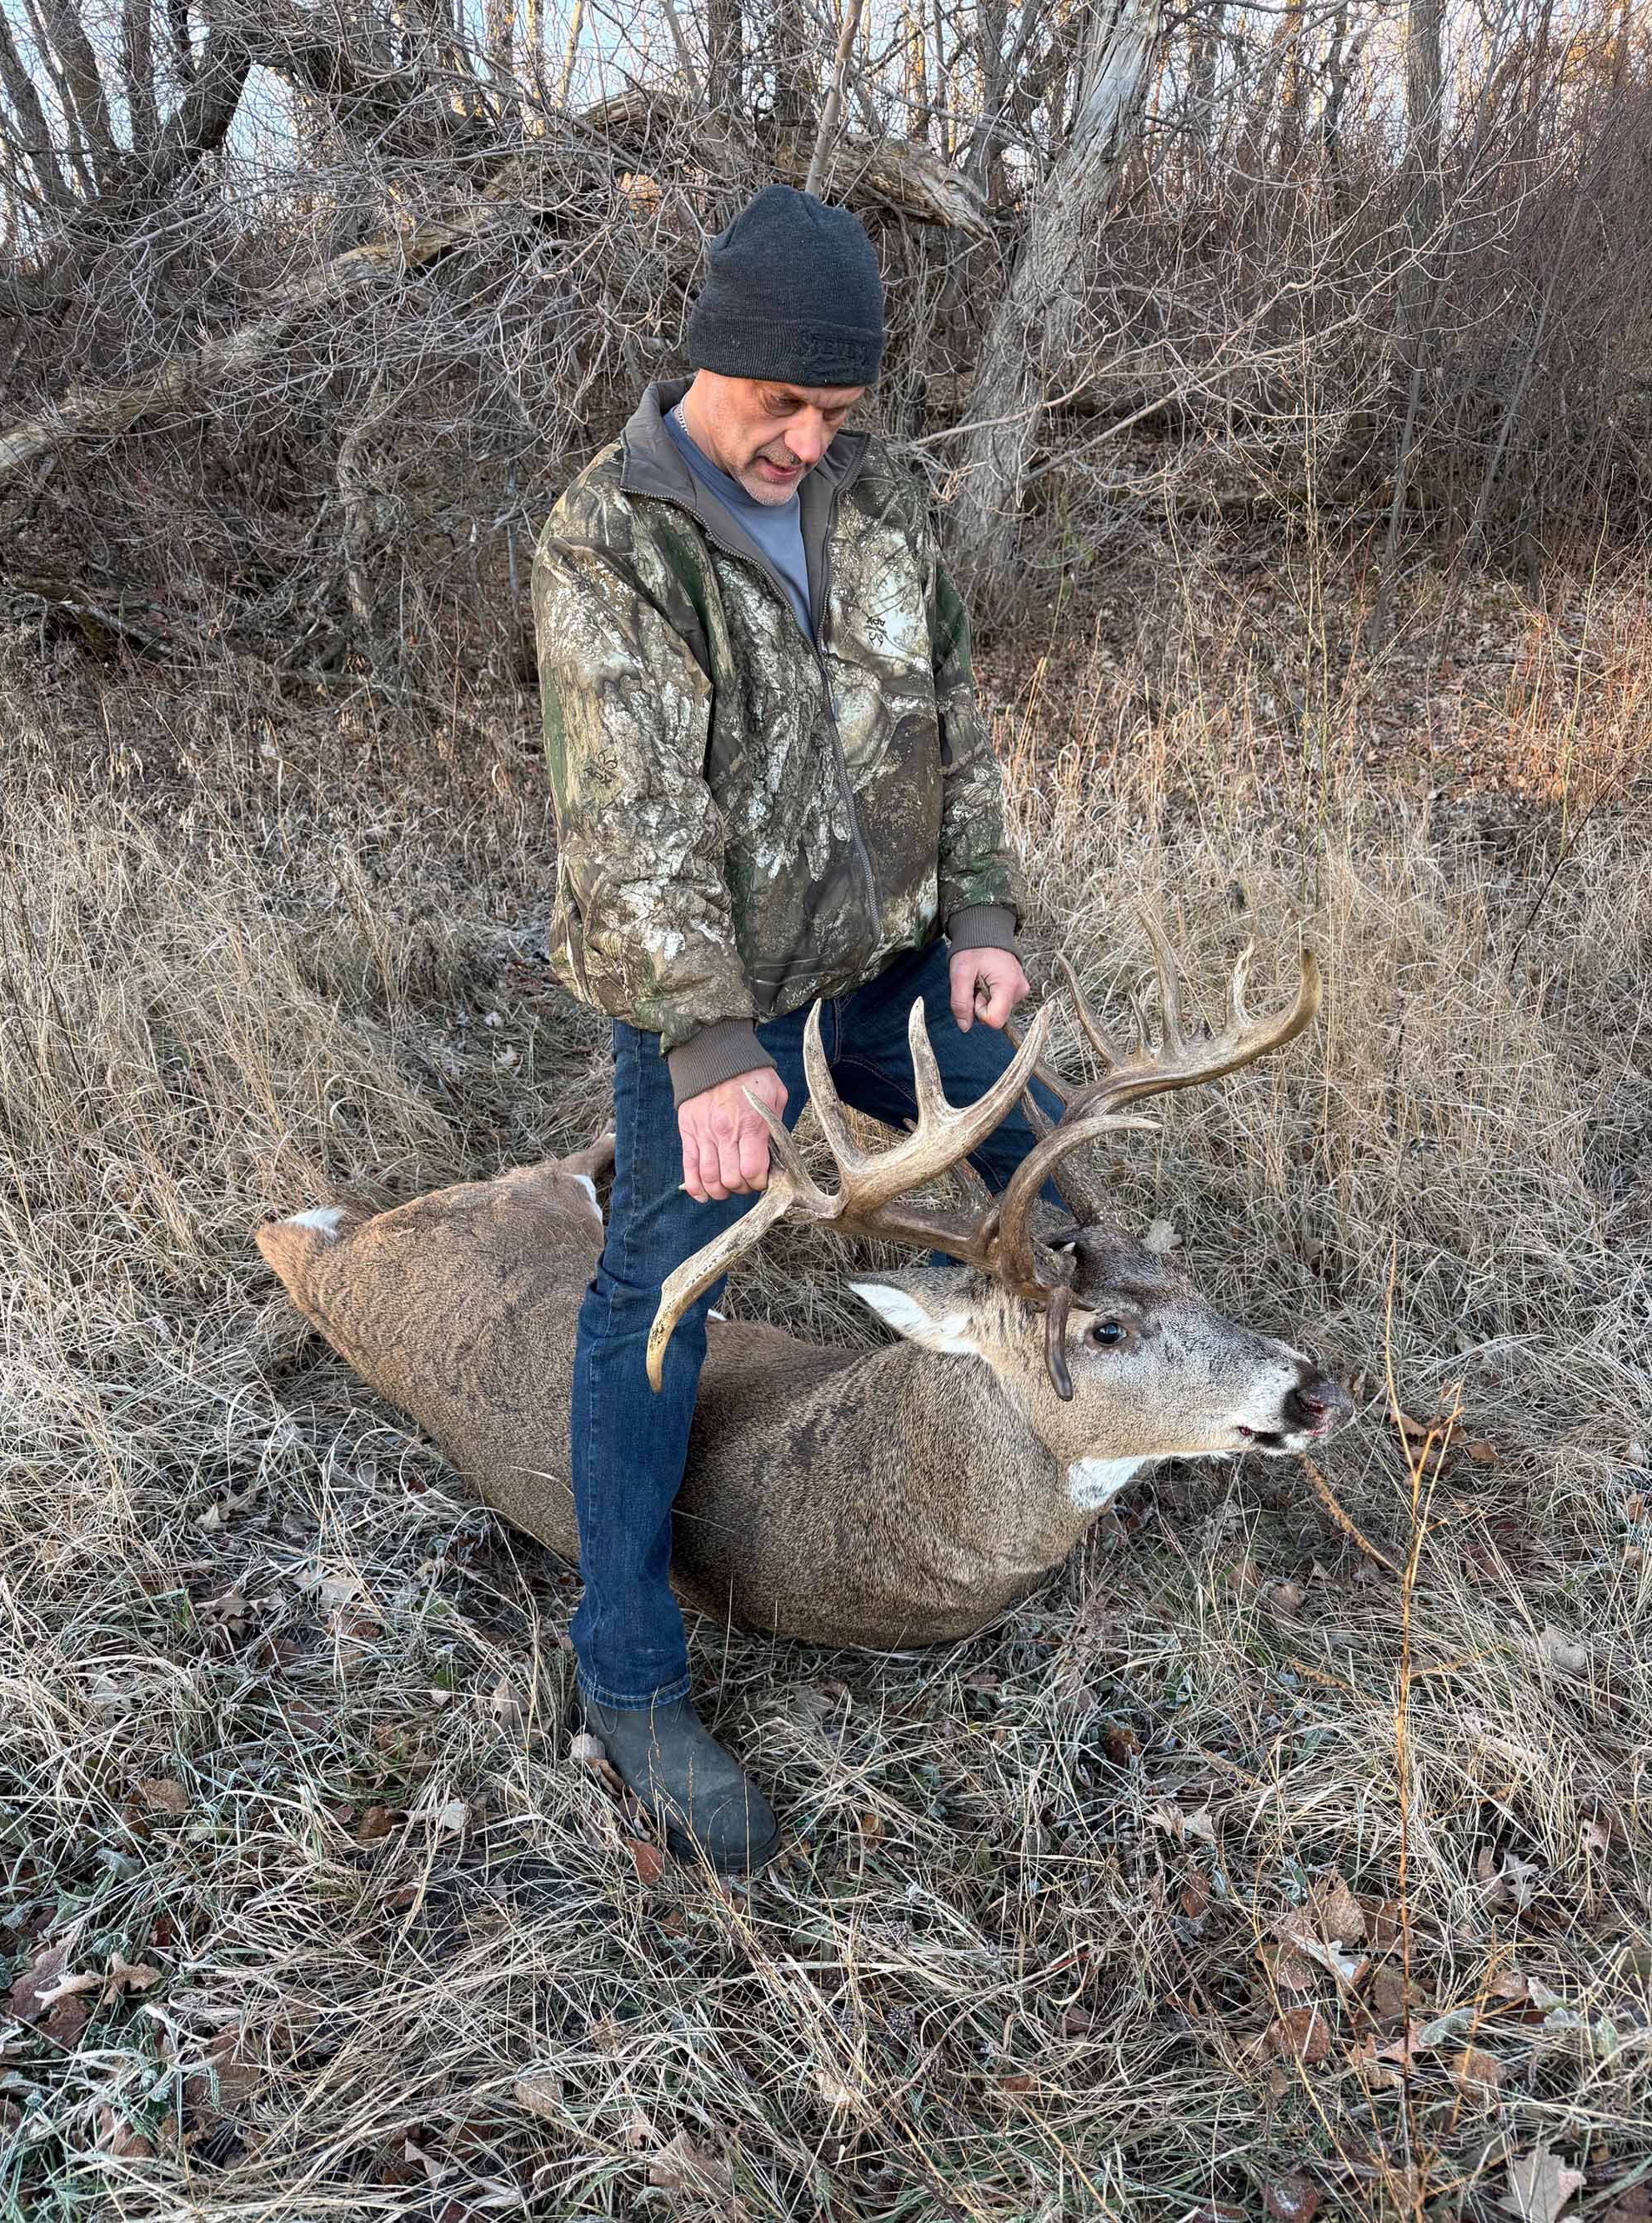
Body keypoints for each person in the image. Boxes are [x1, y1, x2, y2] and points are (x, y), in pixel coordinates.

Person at [533, 184, 1057, 1874]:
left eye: (836, 408)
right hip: (716, 987)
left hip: (893, 949)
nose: (807, 438)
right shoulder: (608, 540)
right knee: (664, 1289)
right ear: (712, 358)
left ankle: (1068, 1441)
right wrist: (701, 1050)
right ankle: (624, 1673)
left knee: (1033, 1141)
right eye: (783, 403)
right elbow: (629, 828)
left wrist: (977, 919)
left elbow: (948, 713)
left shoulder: (879, 489)